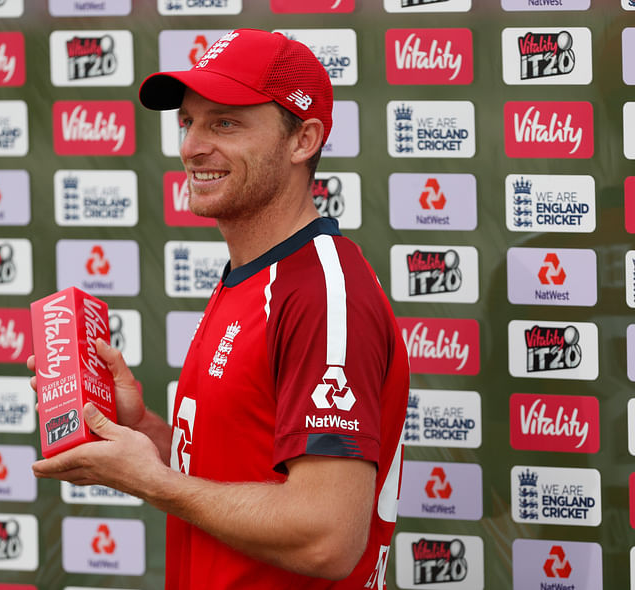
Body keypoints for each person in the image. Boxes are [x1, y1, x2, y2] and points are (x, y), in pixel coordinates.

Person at [29, 28, 409, 590]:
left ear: (302, 140)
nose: (191, 146)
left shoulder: (322, 291)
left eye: (225, 123)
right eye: (188, 121)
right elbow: (241, 474)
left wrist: (153, 484)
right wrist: (144, 435)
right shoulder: (252, 274)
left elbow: (328, 536)